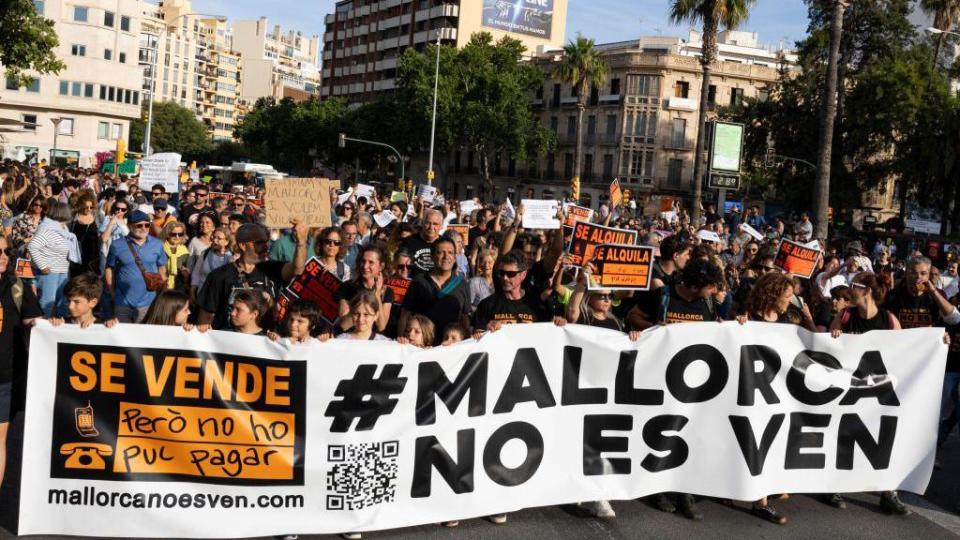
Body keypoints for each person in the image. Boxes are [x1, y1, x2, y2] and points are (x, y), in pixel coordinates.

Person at [829, 271, 909, 514]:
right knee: (842, 435)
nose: (849, 288)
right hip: (849, 389)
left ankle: (888, 493)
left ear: (867, 291)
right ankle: (832, 485)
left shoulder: (888, 319)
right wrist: (835, 328)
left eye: (853, 285)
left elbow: (906, 350)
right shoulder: (845, 315)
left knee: (885, 437)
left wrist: (938, 343)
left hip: (878, 390)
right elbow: (829, 345)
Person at [196, 222, 308, 331]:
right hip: (230, 345)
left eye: (266, 242)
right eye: (259, 243)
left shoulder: (272, 269)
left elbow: (297, 270)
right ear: (243, 245)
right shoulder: (219, 276)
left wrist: (301, 242)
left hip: (266, 344)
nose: (266, 246)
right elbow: (205, 319)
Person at [0, 233, 42, 488]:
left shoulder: (16, 286)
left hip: (4, 377)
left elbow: (34, 322)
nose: (4, 257)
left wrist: (58, 327)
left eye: (6, 252)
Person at [402, 237, 470, 345]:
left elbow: (465, 319)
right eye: (441, 253)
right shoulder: (419, 281)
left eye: (450, 253)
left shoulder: (462, 285)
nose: (446, 257)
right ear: (433, 257)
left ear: (455, 257)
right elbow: (405, 314)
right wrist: (402, 342)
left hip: (449, 347)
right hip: (421, 347)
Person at [105, 210, 167, 323]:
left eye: (147, 225)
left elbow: (162, 268)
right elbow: (109, 268)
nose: (144, 228)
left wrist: (162, 293)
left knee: (143, 337)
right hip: (122, 301)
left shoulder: (157, 244)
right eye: (139, 225)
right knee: (122, 337)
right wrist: (112, 292)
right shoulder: (117, 244)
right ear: (129, 225)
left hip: (149, 301)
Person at [473, 250, 553, 335]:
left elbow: (548, 333)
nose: (505, 278)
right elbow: (476, 336)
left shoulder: (536, 304)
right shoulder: (487, 304)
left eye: (511, 274)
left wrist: (562, 324)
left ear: (523, 275)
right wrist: (487, 329)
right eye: (502, 273)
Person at [28, 201, 80, 317]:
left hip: (62, 271)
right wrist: (42, 265)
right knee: (47, 302)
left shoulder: (63, 228)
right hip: (49, 272)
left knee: (63, 301)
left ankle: (60, 327)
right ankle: (42, 328)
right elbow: (32, 246)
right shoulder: (47, 229)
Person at [884, 256, 960, 329]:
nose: (918, 277)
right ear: (906, 273)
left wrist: (933, 292)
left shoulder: (937, 294)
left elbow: (954, 319)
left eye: (923, 273)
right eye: (913, 272)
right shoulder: (893, 295)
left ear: (928, 276)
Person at [335, 245, 392, 333]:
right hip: (350, 339)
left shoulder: (387, 291)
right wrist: (361, 301)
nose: (365, 266)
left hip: (372, 343)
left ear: (381, 266)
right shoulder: (347, 287)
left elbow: (381, 326)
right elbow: (344, 325)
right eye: (363, 261)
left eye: (371, 262)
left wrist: (376, 294)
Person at [50, 273, 116, 328]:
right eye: (68, 301)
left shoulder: (103, 326)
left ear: (93, 303)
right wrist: (53, 324)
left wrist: (113, 327)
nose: (70, 306)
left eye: (76, 302)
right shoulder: (62, 324)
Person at [190, 227, 233, 302]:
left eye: (219, 238)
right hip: (202, 296)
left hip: (220, 299)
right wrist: (193, 289)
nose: (215, 240)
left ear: (227, 241)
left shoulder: (231, 257)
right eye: (214, 237)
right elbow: (197, 272)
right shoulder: (205, 253)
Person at [401, 208, 443, 274]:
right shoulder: (409, 242)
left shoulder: (445, 244)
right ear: (422, 223)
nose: (431, 227)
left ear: (441, 226)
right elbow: (400, 265)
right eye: (428, 223)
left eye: (435, 224)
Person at [69, 189, 100, 276]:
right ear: (81, 206)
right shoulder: (73, 218)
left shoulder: (96, 218)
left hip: (92, 255)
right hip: (77, 254)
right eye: (86, 207)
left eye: (91, 207)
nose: (89, 209)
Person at [160, 221, 190, 292]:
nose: (177, 237)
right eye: (173, 234)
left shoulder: (185, 251)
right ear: (167, 234)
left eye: (180, 234)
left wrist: (186, 274)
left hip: (179, 289)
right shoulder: (159, 248)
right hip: (161, 288)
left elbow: (187, 275)